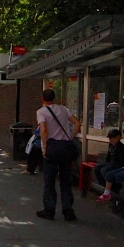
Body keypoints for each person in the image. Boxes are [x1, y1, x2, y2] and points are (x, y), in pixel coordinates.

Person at [37, 89, 81, 221]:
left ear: (42, 98)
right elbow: (77, 123)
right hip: (65, 148)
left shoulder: (41, 112)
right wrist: (69, 137)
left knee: (49, 182)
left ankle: (49, 211)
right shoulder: (64, 109)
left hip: (52, 148)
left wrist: (44, 148)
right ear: (54, 98)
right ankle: (68, 212)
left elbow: (43, 130)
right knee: (65, 182)